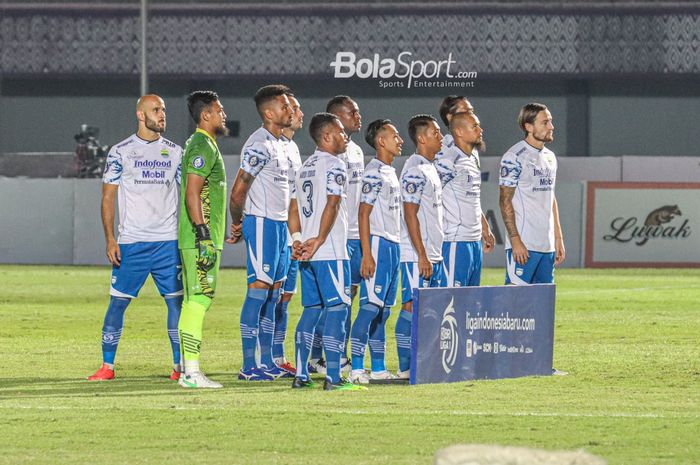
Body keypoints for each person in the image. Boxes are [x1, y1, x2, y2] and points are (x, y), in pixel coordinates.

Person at [88, 94, 184, 382]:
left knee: (176, 304)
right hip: (132, 243)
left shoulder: (176, 152)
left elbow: (191, 195)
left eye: (164, 109)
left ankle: (179, 367)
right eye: (156, 110)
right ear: (140, 115)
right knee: (117, 303)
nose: (162, 114)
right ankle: (107, 367)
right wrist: (110, 239)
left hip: (168, 243)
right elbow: (107, 198)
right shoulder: (120, 152)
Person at [289, 112, 365, 391]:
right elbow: (332, 204)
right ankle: (334, 377)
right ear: (326, 136)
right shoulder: (335, 164)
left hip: (306, 253)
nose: (346, 137)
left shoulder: (305, 166)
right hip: (329, 250)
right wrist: (320, 239)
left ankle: (301, 374)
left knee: (311, 310)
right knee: (337, 310)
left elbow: (294, 209)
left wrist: (298, 239)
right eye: (341, 133)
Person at [228, 84, 293, 381]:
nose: (289, 110)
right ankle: (247, 365)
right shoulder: (258, 144)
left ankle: (267, 361)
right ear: (268, 113)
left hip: (280, 226)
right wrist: (238, 222)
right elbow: (239, 188)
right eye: (284, 106)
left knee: (274, 295)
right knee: (258, 293)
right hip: (262, 222)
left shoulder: (281, 143)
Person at [308, 96, 364, 374]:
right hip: (333, 238)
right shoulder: (330, 158)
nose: (357, 115)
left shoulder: (355, 152)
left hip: (352, 234)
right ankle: (326, 357)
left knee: (346, 297)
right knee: (334, 301)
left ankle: (334, 354)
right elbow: (328, 202)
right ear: (334, 118)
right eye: (351, 112)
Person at [176, 91, 228, 389]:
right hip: (200, 239)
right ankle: (192, 373)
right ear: (205, 115)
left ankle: (188, 369)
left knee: (194, 301)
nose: (223, 115)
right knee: (198, 300)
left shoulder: (203, 144)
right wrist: (203, 234)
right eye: (219, 111)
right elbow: (192, 192)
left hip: (200, 237)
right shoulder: (201, 145)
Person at [348, 119, 403, 385]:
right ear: (381, 141)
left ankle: (378, 367)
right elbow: (363, 213)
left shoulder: (390, 171)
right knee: (369, 308)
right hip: (378, 245)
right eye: (394, 135)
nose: (400, 139)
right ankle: (357, 368)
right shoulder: (373, 172)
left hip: (393, 246)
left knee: (383, 311)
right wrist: (367, 254)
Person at [397, 114, 445, 380]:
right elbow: (410, 213)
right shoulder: (415, 169)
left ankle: (423, 363)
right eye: (436, 133)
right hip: (417, 254)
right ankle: (405, 366)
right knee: (411, 306)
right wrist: (421, 255)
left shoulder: (430, 167)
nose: (441, 137)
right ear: (421, 138)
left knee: (427, 309)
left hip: (431, 252)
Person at [498, 102, 565, 285]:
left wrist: (558, 238)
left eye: (550, 121)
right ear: (528, 126)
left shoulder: (550, 157)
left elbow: (550, 197)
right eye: (545, 122)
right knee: (514, 303)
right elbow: (505, 201)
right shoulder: (514, 157)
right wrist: (515, 240)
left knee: (542, 306)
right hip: (524, 245)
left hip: (547, 245)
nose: (551, 126)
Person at [435, 111, 495, 288]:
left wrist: (484, 228)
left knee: (469, 301)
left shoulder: (471, 158)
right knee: (451, 302)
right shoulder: (448, 160)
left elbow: (472, 198)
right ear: (459, 132)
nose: (480, 130)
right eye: (474, 126)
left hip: (474, 241)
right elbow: (429, 194)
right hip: (455, 241)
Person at [272, 93, 304, 374]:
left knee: (285, 297)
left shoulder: (292, 149)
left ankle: (278, 355)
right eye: (294, 108)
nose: (299, 113)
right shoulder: (268, 146)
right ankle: (264, 355)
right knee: (270, 294)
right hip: (273, 227)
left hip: (291, 232)